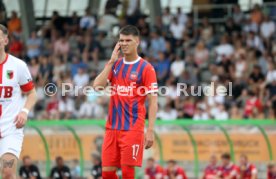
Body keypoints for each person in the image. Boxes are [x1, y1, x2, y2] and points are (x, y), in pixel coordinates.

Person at [93, 25, 158, 179]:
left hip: (132, 128)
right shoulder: (115, 65)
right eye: (121, 40)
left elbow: (153, 101)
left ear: (137, 41)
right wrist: (110, 61)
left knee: (128, 173)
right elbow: (97, 86)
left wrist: (150, 130)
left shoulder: (146, 68)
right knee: (107, 173)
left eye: (128, 40)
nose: (124, 43)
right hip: (112, 128)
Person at [0, 24, 37, 179]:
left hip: (11, 128)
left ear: (5, 40)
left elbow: (32, 93)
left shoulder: (18, 65)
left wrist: (24, 111)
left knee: (8, 172)